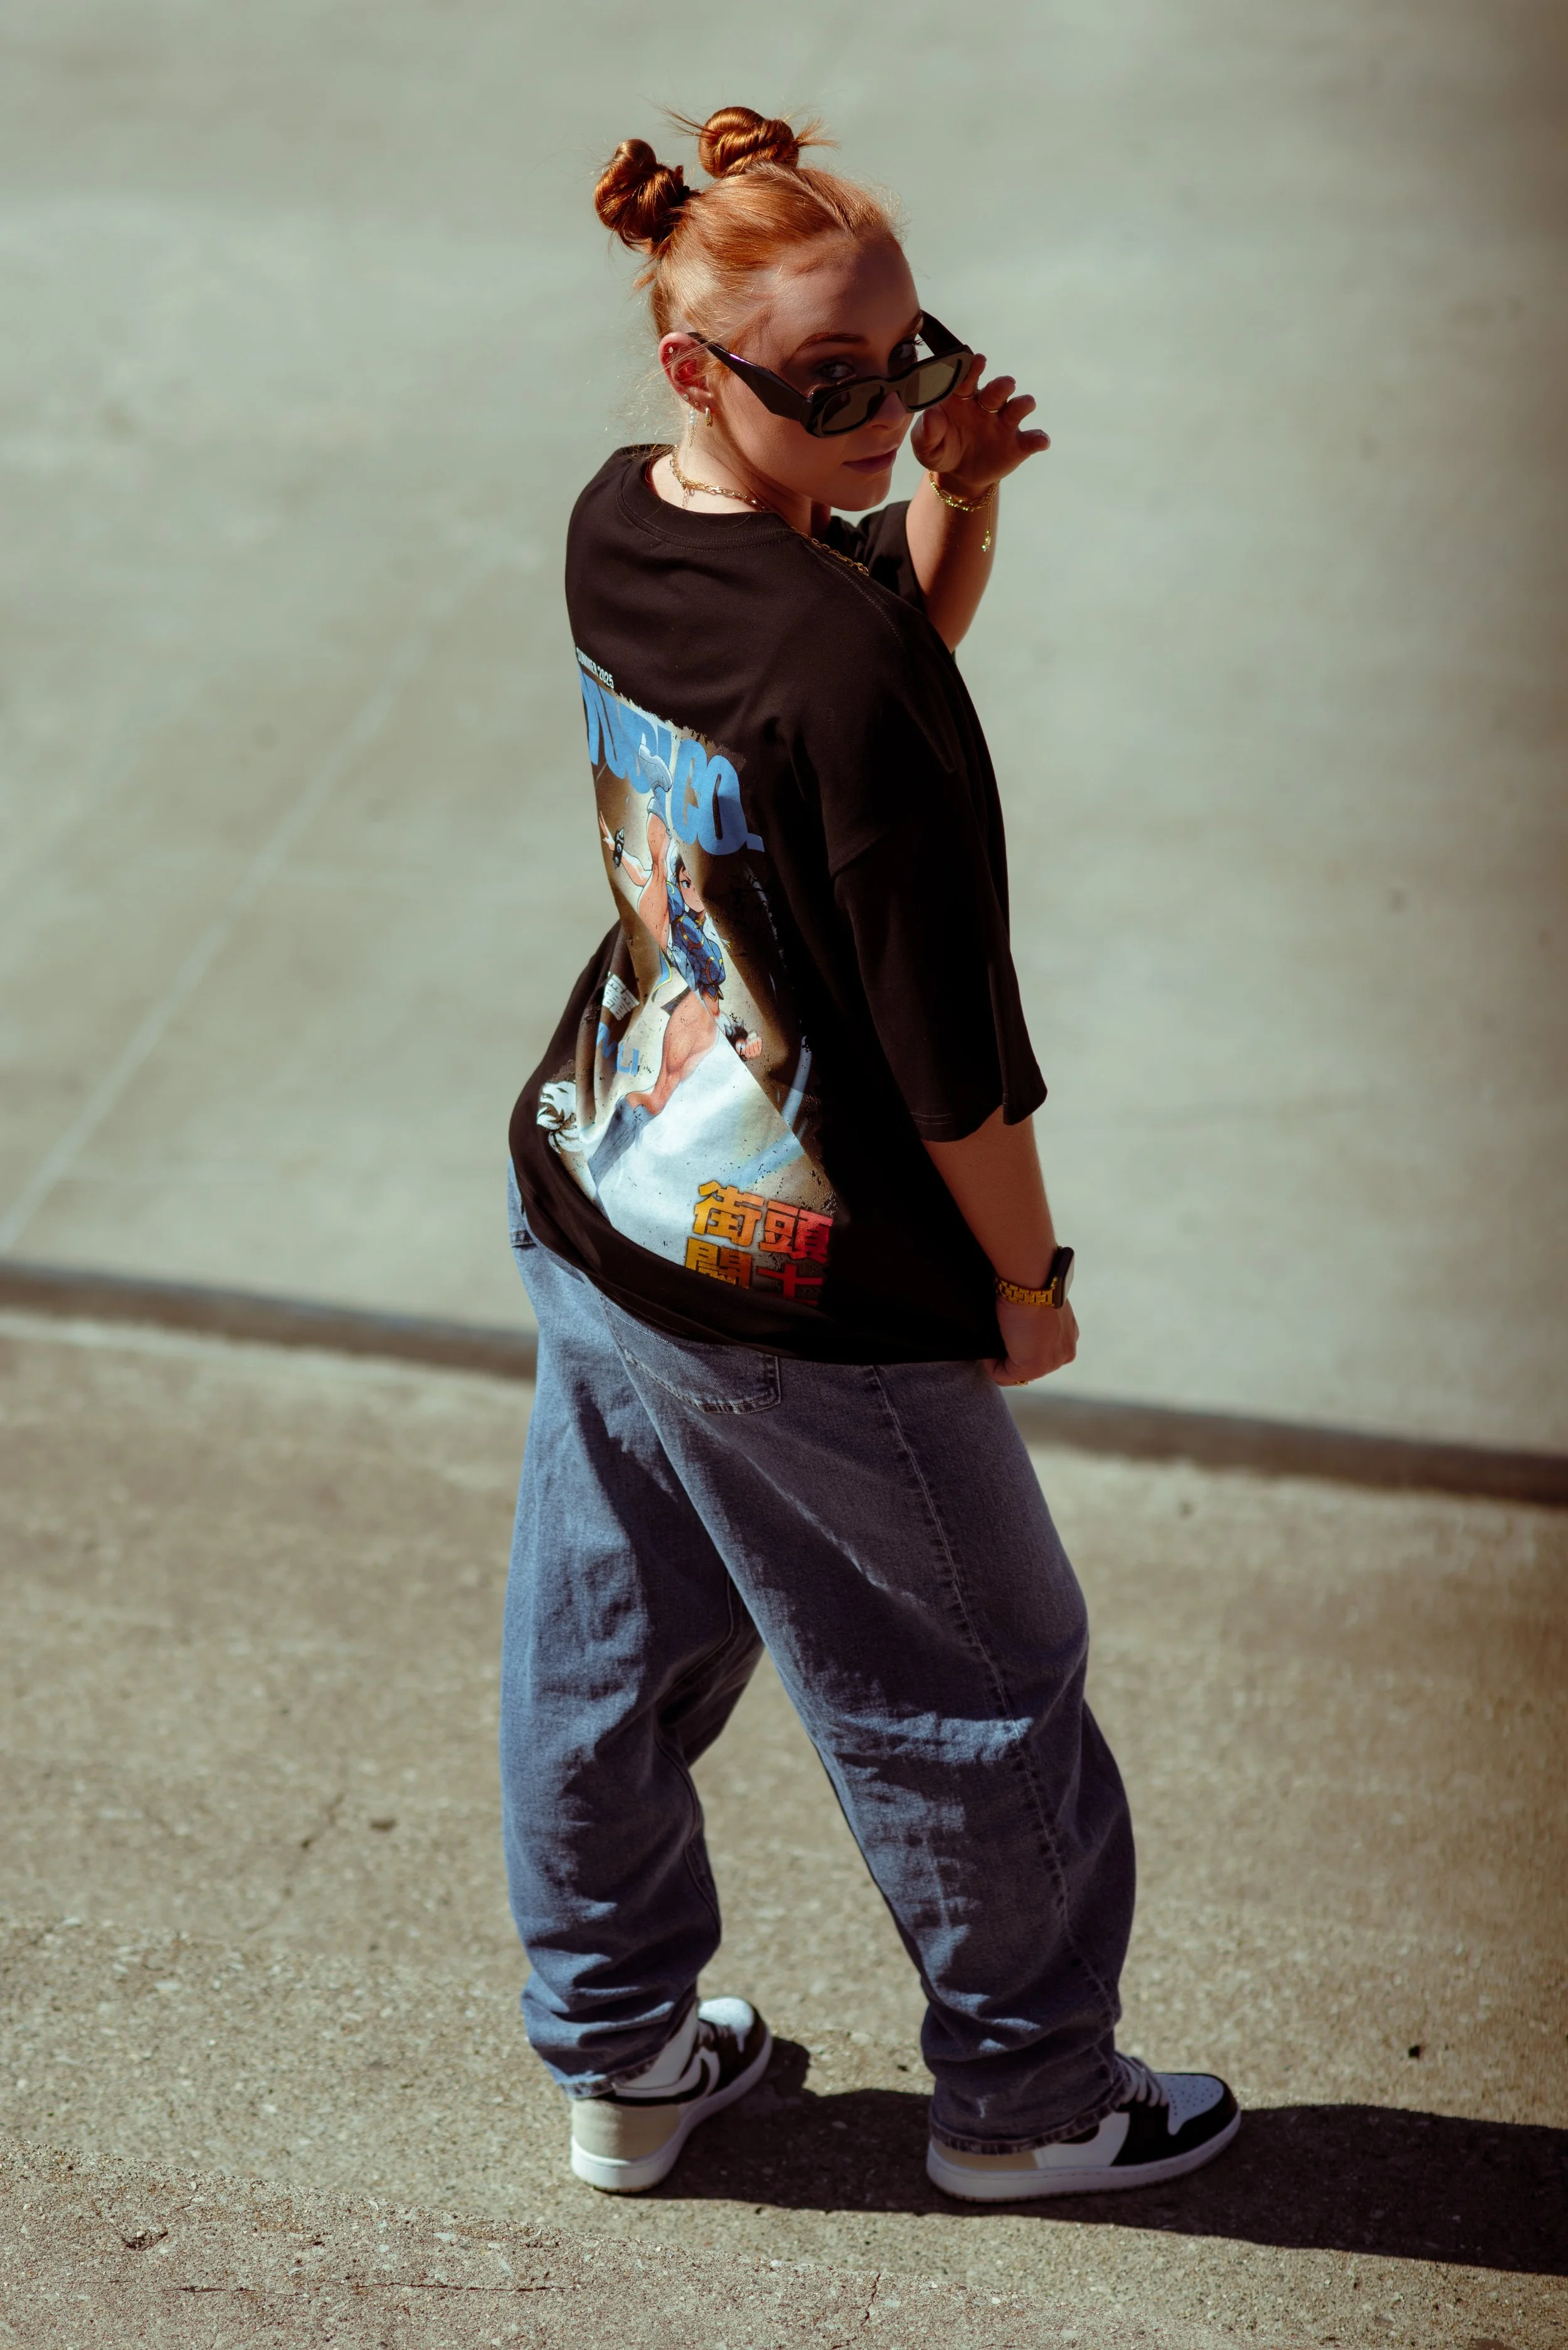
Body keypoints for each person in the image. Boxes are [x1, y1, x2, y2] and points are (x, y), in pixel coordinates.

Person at [502, 104, 1239, 2203]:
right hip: (800, 1279)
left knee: (605, 1650)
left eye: (903, 361)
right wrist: (1024, 1286)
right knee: (976, 1683)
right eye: (823, 384)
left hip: (603, 1181)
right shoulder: (844, 675)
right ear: (694, 372)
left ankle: (622, 2057)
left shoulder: (622, 525)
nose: (877, 407)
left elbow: (826, 720)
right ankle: (1030, 2105)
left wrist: (948, 508)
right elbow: (952, 1078)